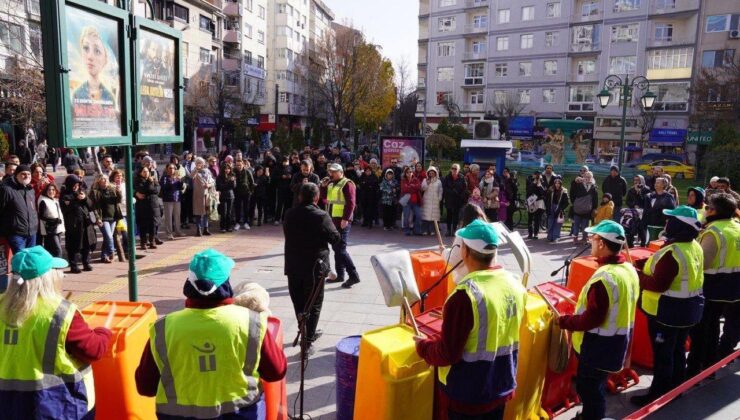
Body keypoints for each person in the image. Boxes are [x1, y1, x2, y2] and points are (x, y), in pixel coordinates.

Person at [135, 248, 287, 418]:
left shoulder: (162, 328)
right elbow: (276, 371)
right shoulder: (251, 322)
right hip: (240, 414)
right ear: (226, 283)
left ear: (189, 284)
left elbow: (145, 387)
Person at [415, 220, 526, 419]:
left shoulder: (465, 296)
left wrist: (423, 347)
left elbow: (447, 354)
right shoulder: (514, 283)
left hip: (468, 394)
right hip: (501, 384)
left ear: (465, 252)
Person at [0, 246, 112, 419]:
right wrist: (104, 332)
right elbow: (94, 350)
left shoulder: (2, 306)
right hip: (56, 404)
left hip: (8, 404)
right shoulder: (60, 312)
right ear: (46, 279)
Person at [558, 220, 640, 420]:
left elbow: (591, 319)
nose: (590, 241)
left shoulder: (605, 278)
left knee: (590, 389)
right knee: (595, 386)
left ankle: (592, 416)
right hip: (617, 344)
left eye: (593, 238)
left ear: (602, 243)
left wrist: (565, 321)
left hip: (597, 348)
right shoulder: (629, 269)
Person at [630, 206, 704, 407]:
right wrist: (645, 263)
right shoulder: (692, 246)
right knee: (678, 350)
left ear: (679, 226)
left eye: (670, 220)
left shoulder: (674, 252)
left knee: (663, 356)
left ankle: (657, 395)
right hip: (687, 311)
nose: (666, 223)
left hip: (667, 314)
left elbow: (658, 284)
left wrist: (636, 275)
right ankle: (676, 388)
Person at [283, 184, 341, 351]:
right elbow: (335, 238)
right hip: (315, 267)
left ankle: (306, 330)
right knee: (314, 304)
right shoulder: (321, 216)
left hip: (294, 265)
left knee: (299, 302)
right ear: (316, 198)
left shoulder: (290, 214)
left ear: (300, 197)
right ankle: (307, 341)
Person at [687, 193, 739, 377]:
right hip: (734, 287)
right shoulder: (737, 227)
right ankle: (710, 364)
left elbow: (703, 262)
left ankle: (696, 368)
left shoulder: (713, 231)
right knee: (715, 325)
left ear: (715, 211)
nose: (705, 210)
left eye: (708, 207)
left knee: (702, 330)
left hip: (713, 287)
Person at [322, 163, 361, 288]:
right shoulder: (331, 184)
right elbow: (325, 199)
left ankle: (353, 275)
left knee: (341, 249)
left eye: (333, 171)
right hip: (333, 220)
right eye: (330, 171)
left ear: (341, 172)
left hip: (343, 221)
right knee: (336, 248)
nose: (331, 174)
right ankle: (340, 275)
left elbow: (351, 203)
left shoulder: (347, 183)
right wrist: (323, 187)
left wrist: (345, 219)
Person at [61, 175, 95, 273]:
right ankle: (74, 265)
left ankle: (86, 262)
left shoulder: (82, 192)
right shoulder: (65, 195)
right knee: (74, 245)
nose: (76, 186)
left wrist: (84, 199)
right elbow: (66, 208)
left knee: (86, 244)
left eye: (77, 184)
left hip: (86, 223)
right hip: (73, 225)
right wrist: (76, 199)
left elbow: (91, 205)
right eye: (74, 184)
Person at [0, 164, 38, 252]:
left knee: (30, 260)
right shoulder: (6, 189)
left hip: (31, 232)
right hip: (16, 234)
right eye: (23, 174)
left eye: (28, 174)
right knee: (20, 260)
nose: (26, 176)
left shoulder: (30, 190)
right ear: (16, 175)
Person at [90, 174, 121, 263]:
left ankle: (104, 256)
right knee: (109, 236)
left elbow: (118, 200)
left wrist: (119, 191)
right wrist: (97, 218)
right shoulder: (95, 192)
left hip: (113, 216)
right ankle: (112, 252)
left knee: (107, 237)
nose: (105, 181)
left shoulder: (112, 189)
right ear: (98, 181)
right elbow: (93, 207)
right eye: (103, 179)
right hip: (103, 218)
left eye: (106, 179)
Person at [134, 166, 161, 250]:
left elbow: (157, 190)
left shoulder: (153, 180)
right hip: (142, 206)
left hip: (153, 205)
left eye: (147, 171)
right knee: (143, 225)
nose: (146, 173)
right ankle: (143, 242)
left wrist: (151, 186)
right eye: (144, 171)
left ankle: (152, 241)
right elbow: (142, 189)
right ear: (140, 173)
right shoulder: (138, 181)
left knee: (153, 224)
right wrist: (149, 184)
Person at [570, 170, 598, 243]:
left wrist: (594, 208)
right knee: (576, 225)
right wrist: (574, 203)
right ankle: (575, 238)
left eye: (589, 177)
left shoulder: (593, 187)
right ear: (583, 177)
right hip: (577, 209)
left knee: (585, 226)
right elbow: (572, 191)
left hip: (587, 210)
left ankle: (584, 238)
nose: (588, 178)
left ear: (592, 178)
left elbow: (595, 199)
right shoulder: (578, 184)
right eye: (586, 177)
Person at [37, 183, 65, 257]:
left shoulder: (55, 200)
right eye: (49, 190)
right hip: (50, 229)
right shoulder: (43, 201)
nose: (51, 191)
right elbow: (41, 216)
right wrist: (54, 220)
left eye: (53, 190)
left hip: (58, 228)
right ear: (46, 191)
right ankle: (59, 265)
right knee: (57, 249)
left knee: (52, 248)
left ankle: (53, 264)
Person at [192, 157, 215, 236]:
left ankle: (206, 228)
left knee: (206, 212)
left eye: (201, 163)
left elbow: (212, 180)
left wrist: (209, 184)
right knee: (198, 213)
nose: (200, 164)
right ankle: (198, 230)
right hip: (199, 195)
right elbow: (191, 176)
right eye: (198, 163)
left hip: (207, 194)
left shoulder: (207, 171)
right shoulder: (195, 171)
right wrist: (196, 169)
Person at [160, 163, 184, 239]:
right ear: (167, 169)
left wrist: (180, 181)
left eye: (173, 168)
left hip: (177, 198)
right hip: (168, 199)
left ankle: (178, 231)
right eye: (170, 168)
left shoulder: (177, 177)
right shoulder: (164, 177)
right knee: (168, 217)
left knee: (177, 216)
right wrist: (172, 180)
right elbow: (164, 187)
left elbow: (180, 187)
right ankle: (169, 233)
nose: (172, 170)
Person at [443, 164, 467, 236]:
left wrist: (460, 195)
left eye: (455, 168)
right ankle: (448, 230)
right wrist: (451, 192)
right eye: (452, 168)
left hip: (458, 199)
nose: (454, 170)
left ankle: (454, 230)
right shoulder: (447, 177)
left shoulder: (462, 178)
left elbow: (464, 188)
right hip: (449, 199)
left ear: (458, 170)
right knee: (449, 215)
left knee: (456, 215)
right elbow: (444, 187)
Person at [545, 177, 569, 243]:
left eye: (558, 183)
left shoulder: (564, 191)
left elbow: (566, 202)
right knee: (550, 223)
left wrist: (561, 209)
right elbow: (546, 200)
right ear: (554, 183)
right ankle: (549, 237)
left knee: (557, 223)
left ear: (561, 184)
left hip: (559, 208)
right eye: (556, 183)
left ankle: (555, 237)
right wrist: (547, 208)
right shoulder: (550, 189)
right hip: (551, 207)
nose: (557, 184)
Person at [400, 166, 422, 236]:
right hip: (407, 202)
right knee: (406, 217)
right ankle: (407, 230)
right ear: (405, 173)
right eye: (407, 172)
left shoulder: (416, 180)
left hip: (415, 201)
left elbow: (418, 187)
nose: (409, 173)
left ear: (412, 173)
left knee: (419, 215)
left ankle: (417, 230)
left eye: (410, 172)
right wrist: (413, 187)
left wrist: (410, 186)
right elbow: (404, 189)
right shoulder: (403, 180)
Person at [421, 166, 443, 236]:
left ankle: (433, 230)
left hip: (435, 201)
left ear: (435, 173)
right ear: (428, 173)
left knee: (434, 217)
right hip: (427, 200)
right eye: (430, 173)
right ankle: (425, 230)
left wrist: (439, 198)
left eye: (433, 173)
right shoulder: (425, 180)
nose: (431, 174)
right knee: (425, 216)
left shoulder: (439, 181)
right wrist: (427, 183)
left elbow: (440, 190)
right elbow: (422, 189)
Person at [234, 159, 254, 230]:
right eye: (237, 165)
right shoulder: (234, 172)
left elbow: (252, 182)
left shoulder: (247, 172)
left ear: (243, 164)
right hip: (237, 193)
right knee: (237, 208)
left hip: (246, 193)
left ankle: (246, 222)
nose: (238, 166)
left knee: (246, 208)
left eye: (240, 165)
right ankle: (237, 223)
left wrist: (250, 191)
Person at [216, 163, 237, 233]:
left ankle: (229, 227)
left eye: (228, 169)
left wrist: (232, 181)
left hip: (231, 196)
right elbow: (219, 187)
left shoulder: (232, 176)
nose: (227, 170)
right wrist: (229, 183)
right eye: (226, 169)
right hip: (223, 196)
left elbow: (234, 186)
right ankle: (222, 227)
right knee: (223, 212)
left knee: (229, 212)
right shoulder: (219, 177)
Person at [526, 171, 546, 240]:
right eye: (535, 175)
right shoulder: (529, 181)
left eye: (538, 175)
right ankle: (530, 233)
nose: (537, 176)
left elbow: (543, 193)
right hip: (531, 202)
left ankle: (536, 234)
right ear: (533, 175)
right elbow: (528, 191)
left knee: (537, 219)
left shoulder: (543, 182)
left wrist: (540, 185)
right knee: (530, 219)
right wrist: (534, 184)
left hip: (539, 202)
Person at [272, 157, 293, 225]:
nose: (286, 163)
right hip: (280, 188)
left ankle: (284, 219)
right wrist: (281, 177)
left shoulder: (290, 167)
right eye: (284, 162)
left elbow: (293, 176)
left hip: (288, 188)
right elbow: (273, 177)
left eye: (287, 162)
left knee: (287, 204)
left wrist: (290, 177)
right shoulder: (277, 168)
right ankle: (277, 219)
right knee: (279, 204)